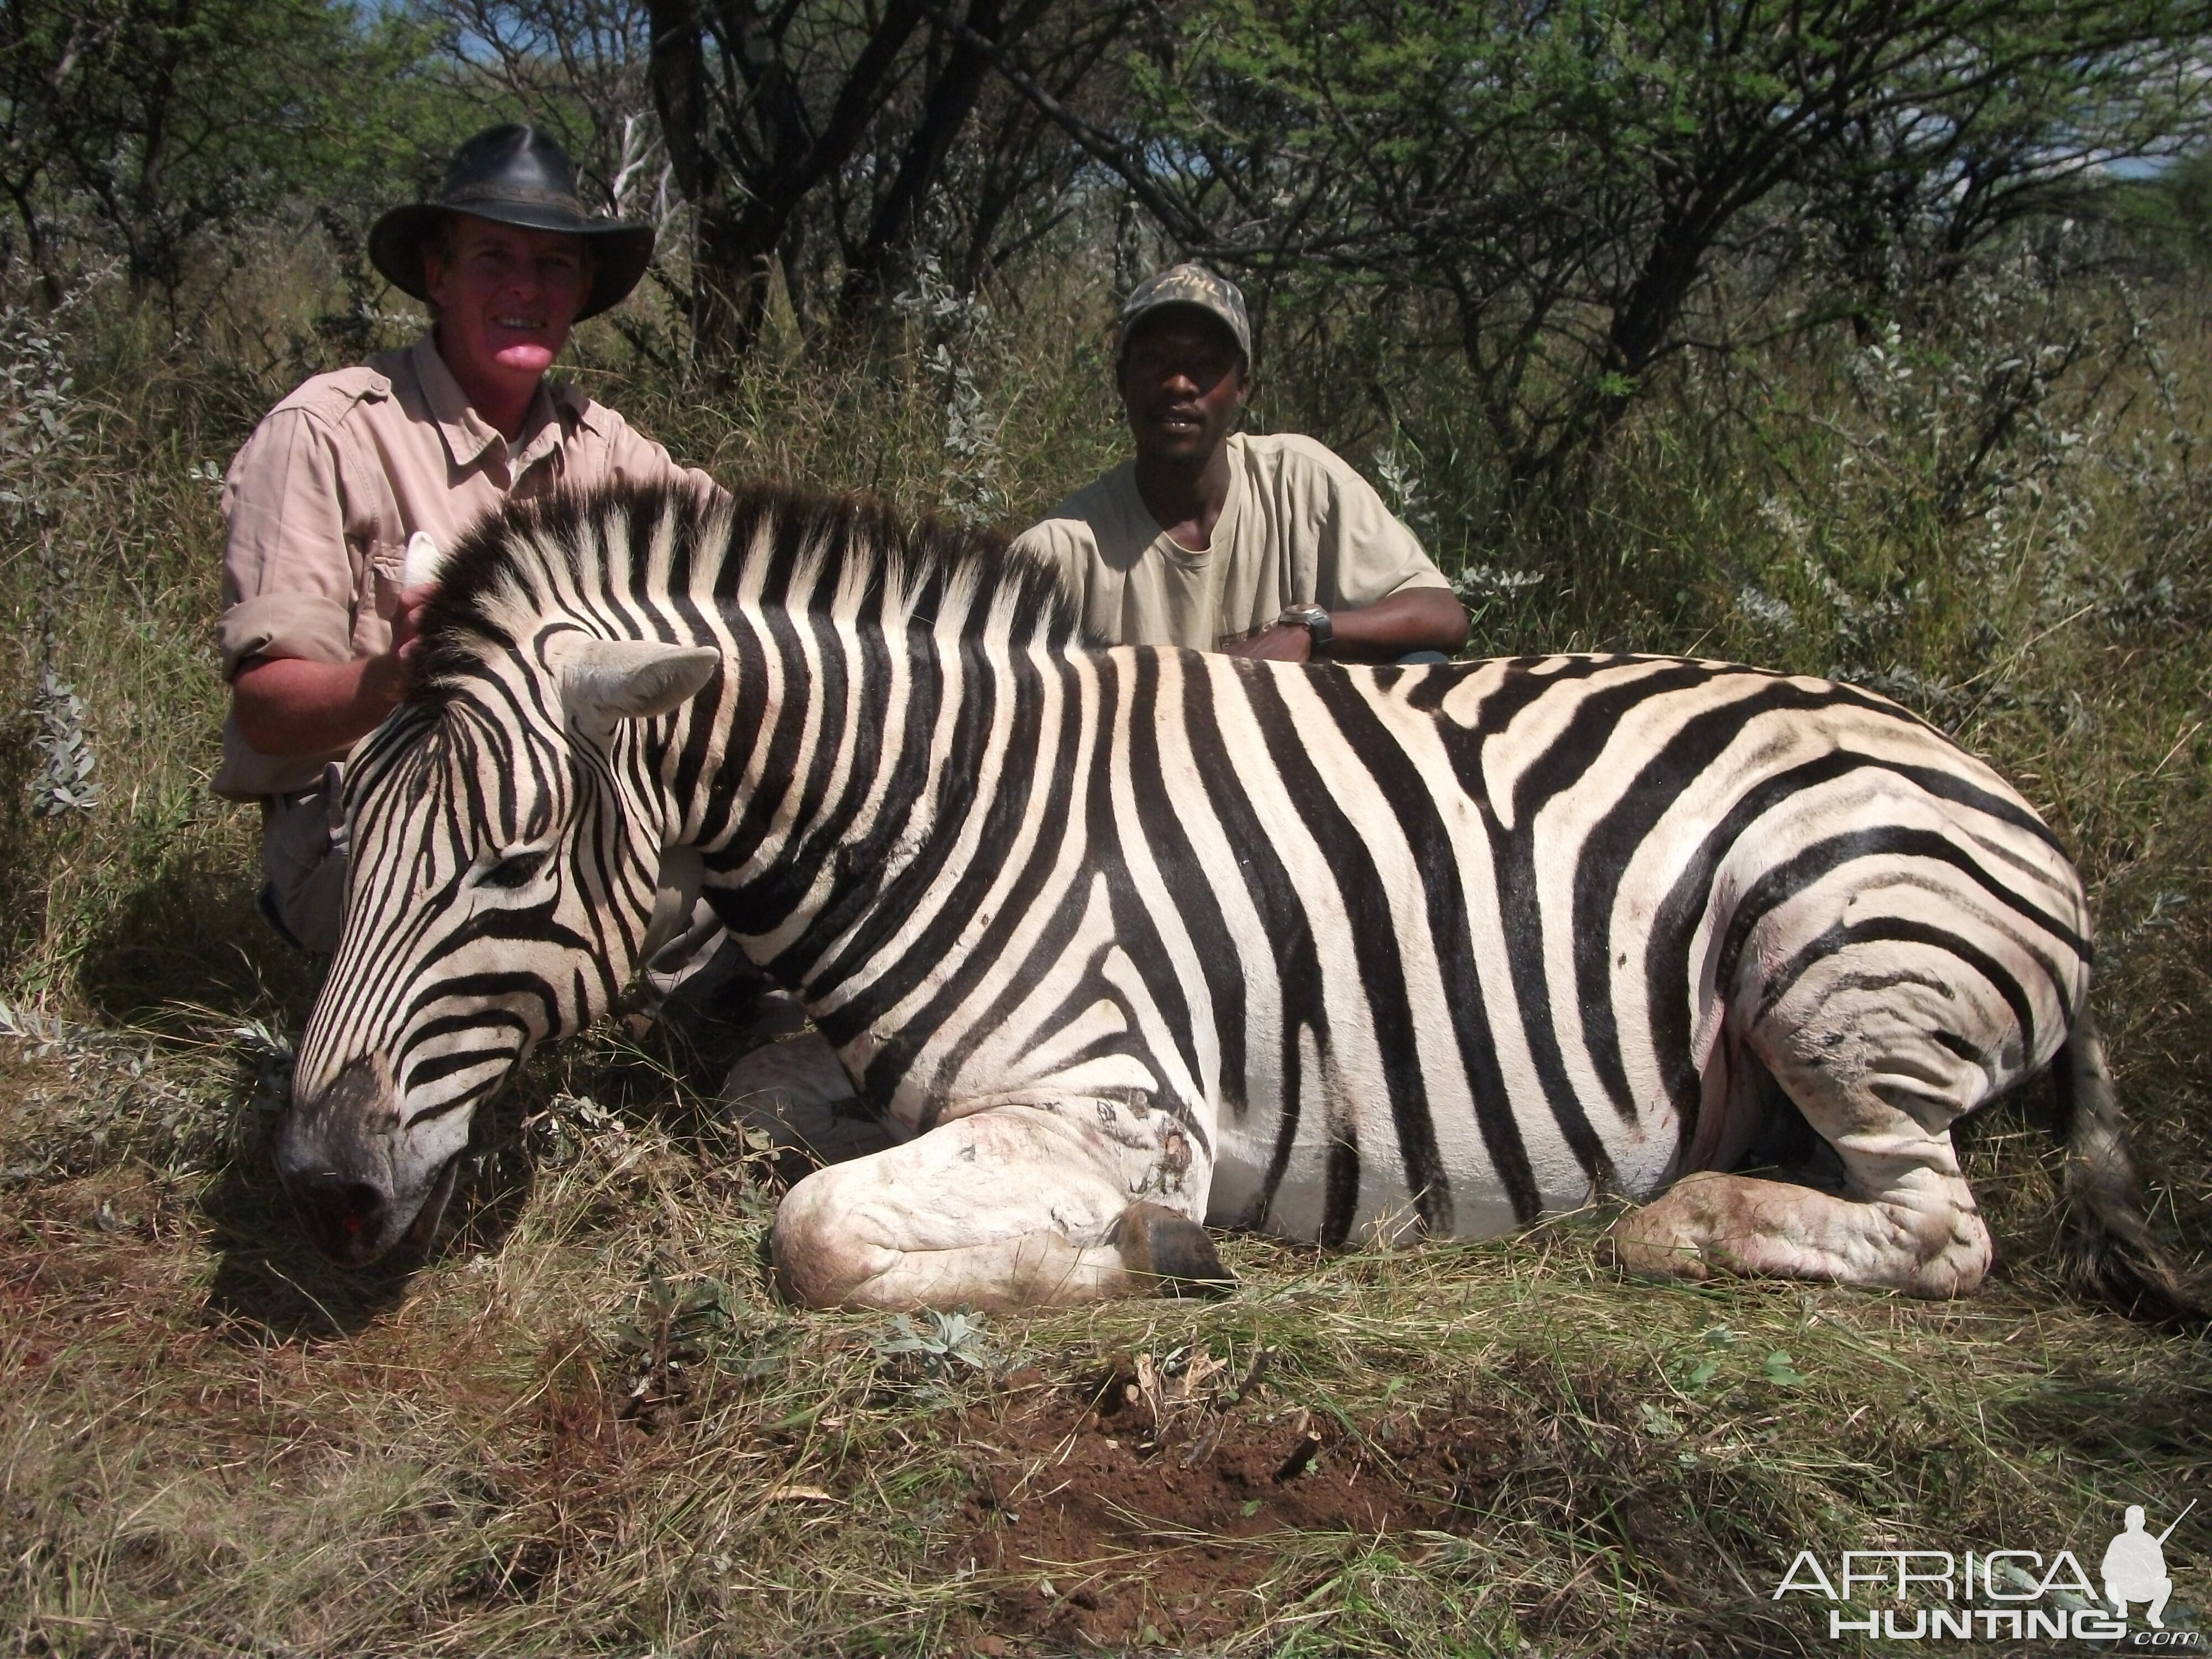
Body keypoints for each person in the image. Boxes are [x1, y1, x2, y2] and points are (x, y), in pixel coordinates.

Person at [215, 124, 717, 956]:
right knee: (684, 889)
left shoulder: (603, 445)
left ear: (582, 288)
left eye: (555, 264)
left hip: (560, 803)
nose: (526, 286)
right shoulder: (325, 432)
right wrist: (396, 676)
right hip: (375, 829)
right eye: (494, 258)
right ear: (437, 276)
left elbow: (757, 558)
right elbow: (266, 712)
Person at [1012, 264, 1468, 664]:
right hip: (1155, 759)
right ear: (1121, 380)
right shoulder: (1065, 548)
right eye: (1155, 361)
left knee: (1421, 665)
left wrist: (1307, 631)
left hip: (1295, 751)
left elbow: (1442, 616)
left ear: (1242, 386)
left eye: (1205, 364)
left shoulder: (1300, 481)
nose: (1179, 384)